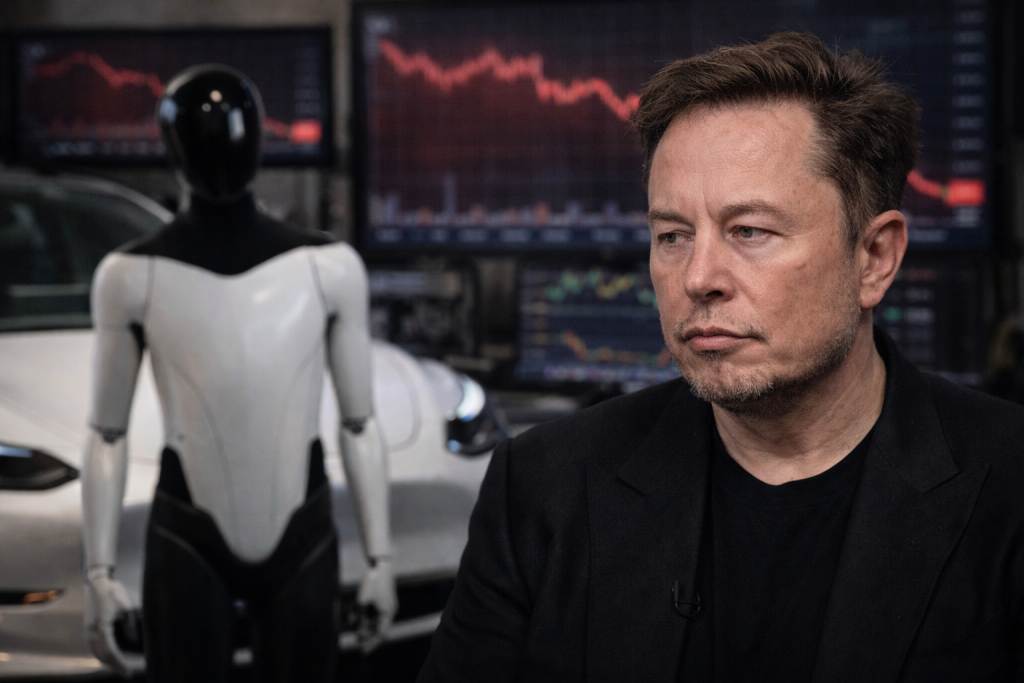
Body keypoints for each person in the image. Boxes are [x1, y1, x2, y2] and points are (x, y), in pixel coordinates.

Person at [417, 32, 1024, 682]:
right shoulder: (541, 488)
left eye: (750, 231)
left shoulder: (1011, 488)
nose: (698, 277)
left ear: (874, 258)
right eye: (672, 236)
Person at [81, 64, 397, 682]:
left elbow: (360, 424)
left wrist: (383, 560)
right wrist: (96, 573)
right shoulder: (127, 276)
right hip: (207, 534)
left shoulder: (328, 269)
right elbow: (106, 434)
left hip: (268, 531)